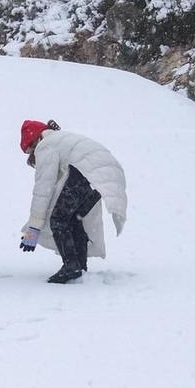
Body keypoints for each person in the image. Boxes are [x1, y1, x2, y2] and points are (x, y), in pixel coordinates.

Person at [18, 120, 127, 284]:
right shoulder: (60, 139)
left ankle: (71, 266)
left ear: (35, 142)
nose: (32, 155)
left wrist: (33, 229)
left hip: (87, 172)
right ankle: (79, 265)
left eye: (29, 151)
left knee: (59, 219)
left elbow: (43, 190)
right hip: (105, 175)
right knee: (73, 219)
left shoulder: (46, 145)